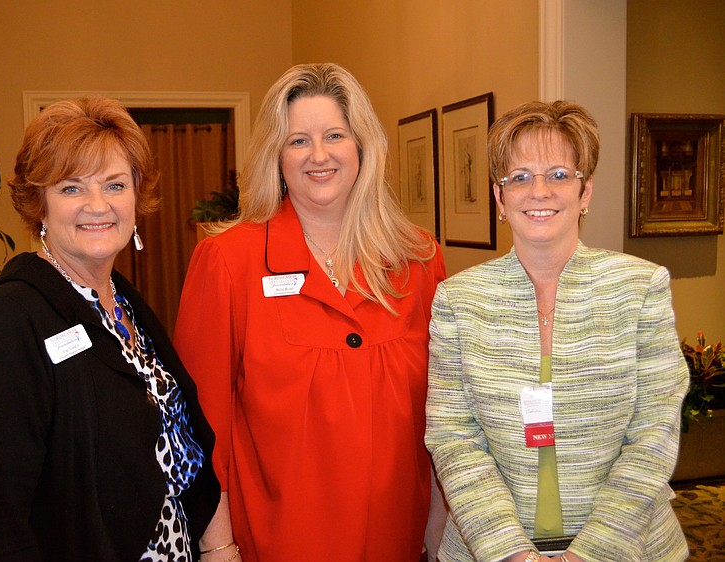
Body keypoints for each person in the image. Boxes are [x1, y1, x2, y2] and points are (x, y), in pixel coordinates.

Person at [173, 63, 448, 562]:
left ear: (362, 145)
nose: (318, 155)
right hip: (278, 542)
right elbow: (199, 426)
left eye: (334, 136)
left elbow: (443, 414)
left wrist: (438, 535)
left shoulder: (419, 261)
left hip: (397, 541)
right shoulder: (228, 262)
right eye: (298, 141)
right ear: (276, 155)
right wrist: (218, 546)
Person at [0, 96, 220, 561]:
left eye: (115, 185)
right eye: (72, 188)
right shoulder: (9, 324)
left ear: (136, 196)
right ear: (39, 204)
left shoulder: (122, 300)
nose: (98, 206)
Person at [425, 100, 689, 562]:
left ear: (585, 192)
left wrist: (590, 555)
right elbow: (454, 438)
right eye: (520, 177)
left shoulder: (640, 287)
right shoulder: (458, 300)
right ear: (499, 197)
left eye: (559, 175)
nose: (539, 191)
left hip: (630, 548)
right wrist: (511, 554)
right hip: (490, 551)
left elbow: (654, 435)